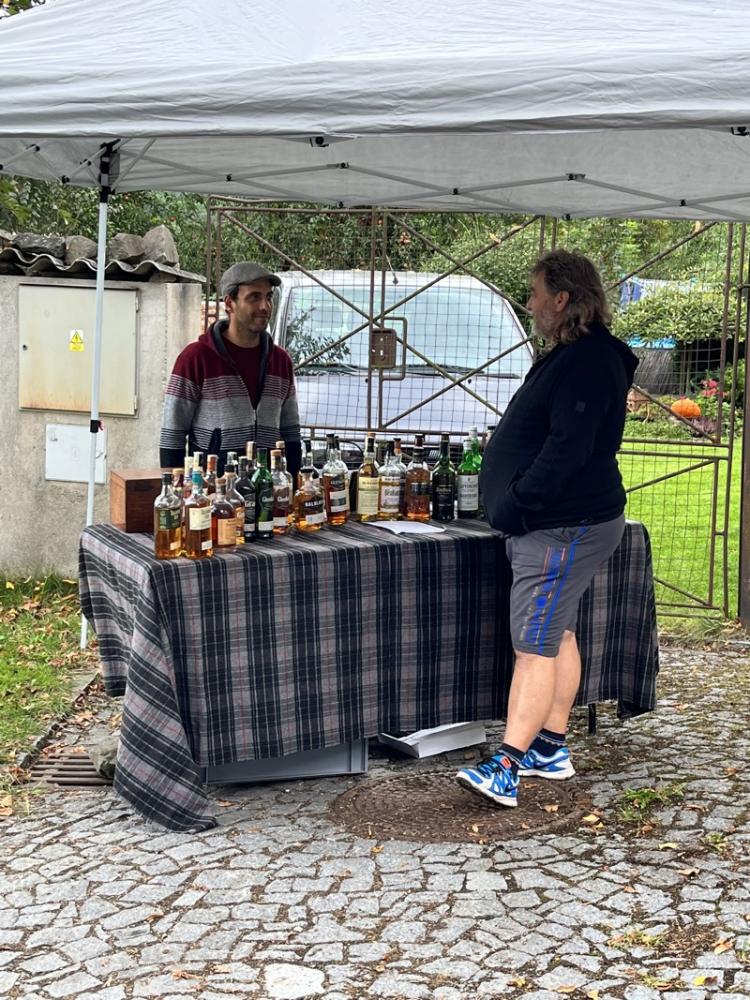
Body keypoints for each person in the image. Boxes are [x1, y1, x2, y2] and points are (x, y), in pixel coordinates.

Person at [456, 249, 639, 808]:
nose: (530, 303)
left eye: (535, 293)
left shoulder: (588, 361)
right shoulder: (580, 354)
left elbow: (567, 450)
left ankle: (506, 766)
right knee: (557, 635)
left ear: (561, 299)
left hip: (560, 526)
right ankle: (550, 748)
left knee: (534, 647)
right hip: (568, 521)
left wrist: (518, 503)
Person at [159, 261, 302, 480]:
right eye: (254, 297)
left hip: (268, 489)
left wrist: (293, 485)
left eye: (268, 297)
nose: (265, 306)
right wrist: (175, 488)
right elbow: (172, 433)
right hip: (213, 490)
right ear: (229, 303)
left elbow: (290, 433)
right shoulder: (196, 358)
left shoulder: (281, 361)